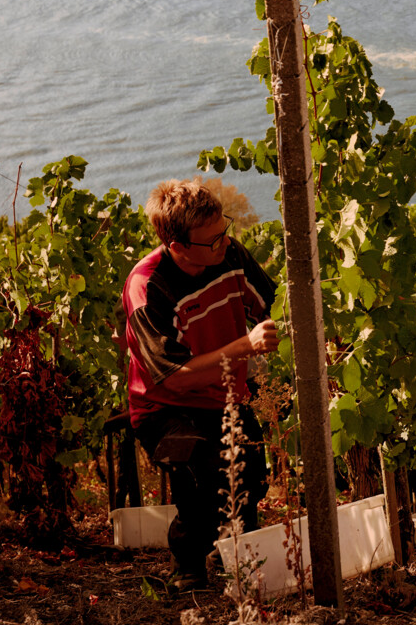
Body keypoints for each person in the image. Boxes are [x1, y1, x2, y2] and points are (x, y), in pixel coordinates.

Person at [121, 179, 279, 592]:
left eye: (224, 231)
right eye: (211, 241)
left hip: (224, 395)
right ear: (177, 246)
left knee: (254, 476)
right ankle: (188, 565)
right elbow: (175, 376)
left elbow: (272, 304)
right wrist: (246, 346)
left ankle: (243, 562)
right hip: (163, 407)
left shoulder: (229, 254)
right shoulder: (148, 287)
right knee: (205, 473)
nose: (225, 244)